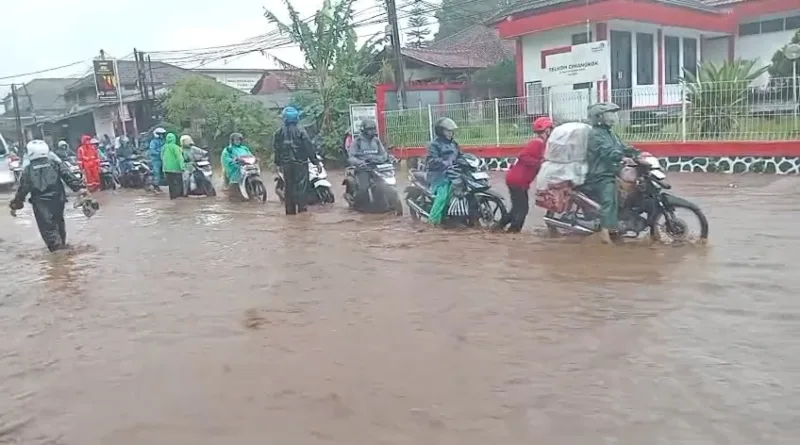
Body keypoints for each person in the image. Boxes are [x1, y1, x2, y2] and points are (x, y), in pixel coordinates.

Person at [9, 140, 88, 252]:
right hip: (58, 199)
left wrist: (15, 205)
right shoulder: (55, 163)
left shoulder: (28, 170)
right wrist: (80, 188)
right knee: (59, 223)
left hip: (40, 203)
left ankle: (59, 254)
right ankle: (62, 247)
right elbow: (68, 175)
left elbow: (22, 190)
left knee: (48, 228)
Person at [584, 102, 640, 244]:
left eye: (612, 114)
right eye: (608, 114)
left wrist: (635, 152)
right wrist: (622, 157)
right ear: (599, 117)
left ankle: (615, 225)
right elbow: (608, 152)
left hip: (612, 170)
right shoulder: (596, 134)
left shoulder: (610, 133)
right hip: (600, 174)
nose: (612, 117)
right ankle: (604, 234)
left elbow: (622, 146)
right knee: (609, 199)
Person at [496, 116, 553, 233]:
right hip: (518, 180)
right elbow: (523, 156)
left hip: (517, 180)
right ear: (546, 130)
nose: (552, 131)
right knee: (522, 210)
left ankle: (497, 228)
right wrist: (539, 163)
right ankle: (513, 233)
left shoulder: (541, 143)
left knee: (516, 209)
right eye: (550, 128)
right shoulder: (537, 143)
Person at [272, 107, 317, 215]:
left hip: (286, 164)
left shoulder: (279, 132)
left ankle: (290, 213)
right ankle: (302, 212)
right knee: (302, 188)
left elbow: (276, 149)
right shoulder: (301, 131)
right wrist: (315, 161)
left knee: (288, 188)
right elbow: (309, 147)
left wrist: (277, 163)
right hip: (301, 164)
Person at [425, 117, 462, 225]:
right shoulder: (434, 145)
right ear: (441, 131)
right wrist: (444, 162)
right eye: (448, 131)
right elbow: (431, 160)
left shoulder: (454, 144)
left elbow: (460, 156)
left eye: (451, 131)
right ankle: (433, 221)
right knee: (442, 196)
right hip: (439, 175)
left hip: (453, 173)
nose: (450, 133)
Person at [347, 119, 389, 209]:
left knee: (384, 184)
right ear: (364, 130)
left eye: (374, 129)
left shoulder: (376, 141)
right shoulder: (357, 142)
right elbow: (351, 157)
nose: (373, 131)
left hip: (377, 168)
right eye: (370, 129)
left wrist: (382, 159)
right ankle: (361, 206)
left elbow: (384, 154)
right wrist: (360, 162)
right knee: (364, 188)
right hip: (363, 168)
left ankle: (383, 203)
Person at [221, 132, 255, 200]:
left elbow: (250, 155)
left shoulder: (244, 148)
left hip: (246, 166)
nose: (238, 141)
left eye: (239, 140)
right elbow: (225, 159)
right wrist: (233, 162)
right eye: (236, 140)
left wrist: (253, 159)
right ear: (232, 141)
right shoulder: (228, 149)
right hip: (235, 167)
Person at [161, 133, 185, 199]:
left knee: (171, 185)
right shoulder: (176, 147)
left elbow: (162, 157)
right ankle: (179, 198)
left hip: (166, 170)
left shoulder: (164, 147)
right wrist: (182, 167)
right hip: (176, 169)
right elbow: (179, 158)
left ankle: (173, 197)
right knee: (178, 184)